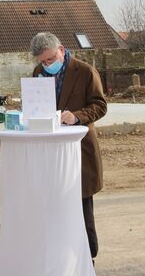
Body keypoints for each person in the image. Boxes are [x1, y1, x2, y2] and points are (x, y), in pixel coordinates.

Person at [29, 32, 107, 262]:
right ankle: (60, 256)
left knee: (82, 208)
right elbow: (35, 104)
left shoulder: (84, 71)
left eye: (50, 59)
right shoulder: (38, 73)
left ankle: (88, 258)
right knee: (54, 209)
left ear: (61, 49)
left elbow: (100, 105)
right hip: (49, 153)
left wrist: (77, 116)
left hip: (79, 150)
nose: (46, 65)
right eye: (42, 62)